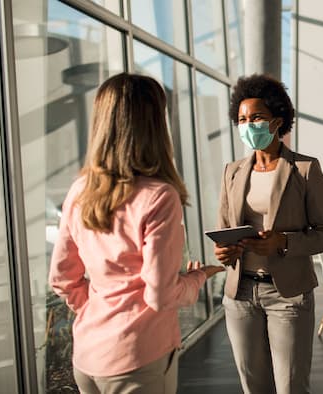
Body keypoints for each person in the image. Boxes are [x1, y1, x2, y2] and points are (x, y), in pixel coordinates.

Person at [48, 73, 223, 394]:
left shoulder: (79, 191)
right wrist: (198, 279)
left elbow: (62, 279)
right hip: (137, 358)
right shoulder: (159, 196)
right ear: (156, 125)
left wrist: (99, 308)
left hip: (88, 356)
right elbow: (159, 294)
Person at [213, 73, 323, 394]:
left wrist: (282, 241)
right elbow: (225, 228)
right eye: (241, 119)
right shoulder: (232, 171)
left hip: (287, 295)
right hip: (239, 293)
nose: (247, 124)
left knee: (291, 387)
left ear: (277, 121)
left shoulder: (306, 169)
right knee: (253, 386)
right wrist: (224, 251)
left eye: (256, 117)